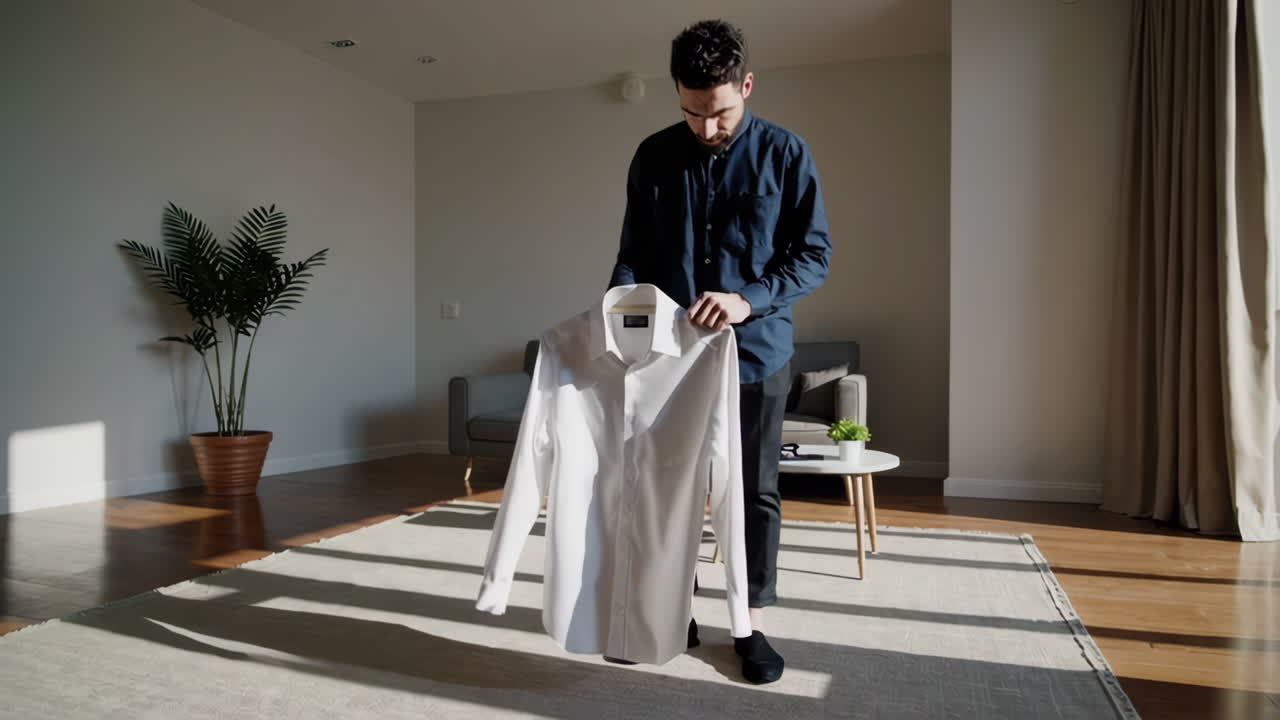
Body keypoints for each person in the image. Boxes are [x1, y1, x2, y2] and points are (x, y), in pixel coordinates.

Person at [608, 19, 833, 684]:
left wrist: (749, 297)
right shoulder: (652, 156)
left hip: (758, 353)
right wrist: (620, 321)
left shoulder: (787, 155)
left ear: (747, 85)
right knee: (670, 488)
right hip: (669, 361)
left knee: (755, 492)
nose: (707, 128)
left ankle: (751, 621)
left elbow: (813, 255)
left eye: (721, 112)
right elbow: (632, 257)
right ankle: (673, 607)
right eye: (692, 111)